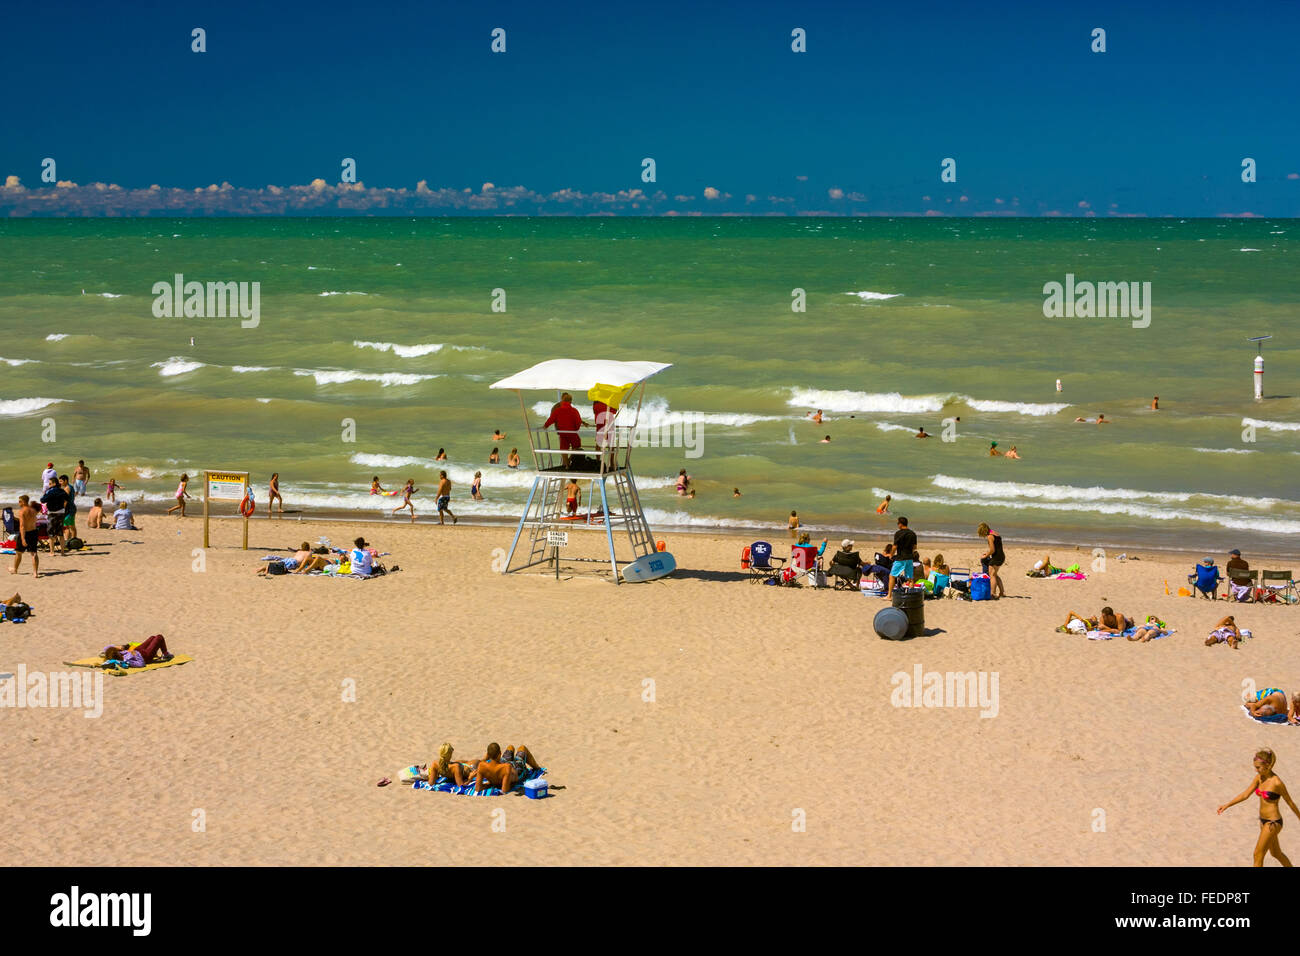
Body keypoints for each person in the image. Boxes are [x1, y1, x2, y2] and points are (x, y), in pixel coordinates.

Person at [1217, 748, 1298, 867]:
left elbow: (1290, 802)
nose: (1256, 770)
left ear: (1267, 765)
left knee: (1257, 854)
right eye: (1255, 767)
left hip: (1273, 823)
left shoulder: (1277, 783)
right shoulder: (1259, 778)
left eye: (1258, 767)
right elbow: (1245, 794)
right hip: (1263, 821)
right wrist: (1227, 805)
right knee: (1276, 853)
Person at [470, 743, 540, 795]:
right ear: (500, 753)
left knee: (510, 747)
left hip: (502, 763)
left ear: (488, 755)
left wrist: (491, 784)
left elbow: (478, 788)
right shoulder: (506, 767)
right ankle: (537, 768)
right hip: (516, 770)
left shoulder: (481, 766)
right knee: (522, 748)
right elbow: (505, 789)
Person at [542, 392, 585, 468]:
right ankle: (568, 460)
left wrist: (545, 425)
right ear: (570, 401)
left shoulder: (557, 410)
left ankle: (567, 464)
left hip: (562, 433)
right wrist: (576, 429)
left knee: (563, 448)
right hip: (572, 433)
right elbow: (578, 422)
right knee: (577, 446)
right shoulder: (574, 411)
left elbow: (551, 419)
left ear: (562, 400)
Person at [9, 495, 39, 578]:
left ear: (23, 502)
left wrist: (22, 539)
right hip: (34, 532)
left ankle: (15, 569)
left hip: (25, 533)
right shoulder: (33, 510)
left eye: (19, 501)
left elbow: (22, 526)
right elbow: (35, 521)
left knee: (18, 552)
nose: (18, 503)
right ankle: (35, 573)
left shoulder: (22, 511)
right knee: (34, 553)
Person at [39, 478, 70, 555]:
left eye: (50, 483)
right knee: (60, 533)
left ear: (54, 483)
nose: (49, 485)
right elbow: (68, 498)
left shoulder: (50, 491)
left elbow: (42, 500)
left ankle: (52, 552)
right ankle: (62, 552)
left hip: (52, 513)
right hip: (61, 512)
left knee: (51, 533)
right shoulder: (62, 491)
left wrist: (47, 494)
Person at [101, 634, 173, 667]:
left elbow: (106, 648)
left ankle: (156, 652)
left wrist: (118, 647)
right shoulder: (127, 661)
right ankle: (165, 654)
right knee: (159, 637)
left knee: (152, 637)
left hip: (138, 650)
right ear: (117, 654)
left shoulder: (121, 654)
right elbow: (141, 664)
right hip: (145, 656)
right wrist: (134, 654)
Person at [888, 517, 917, 597]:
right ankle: (911, 595)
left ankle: (889, 596)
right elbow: (915, 547)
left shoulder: (898, 533)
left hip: (901, 557)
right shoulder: (912, 533)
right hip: (909, 558)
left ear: (900, 524)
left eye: (898, 523)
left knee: (892, 576)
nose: (897, 525)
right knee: (910, 578)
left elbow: (894, 546)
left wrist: (891, 555)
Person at [976, 522, 1006, 598]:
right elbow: (996, 548)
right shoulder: (995, 533)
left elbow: (992, 550)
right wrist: (988, 554)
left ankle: (993, 593)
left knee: (992, 575)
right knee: (995, 575)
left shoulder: (990, 536)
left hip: (997, 557)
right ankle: (1002, 592)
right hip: (1001, 556)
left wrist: (986, 555)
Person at [57, 475, 77, 543]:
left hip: (69, 509)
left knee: (67, 526)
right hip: (72, 507)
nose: (60, 482)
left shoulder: (67, 488)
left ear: (65, 480)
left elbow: (65, 500)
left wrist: (62, 509)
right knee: (71, 526)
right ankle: (73, 540)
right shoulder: (70, 487)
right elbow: (73, 498)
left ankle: (69, 541)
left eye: (61, 481)